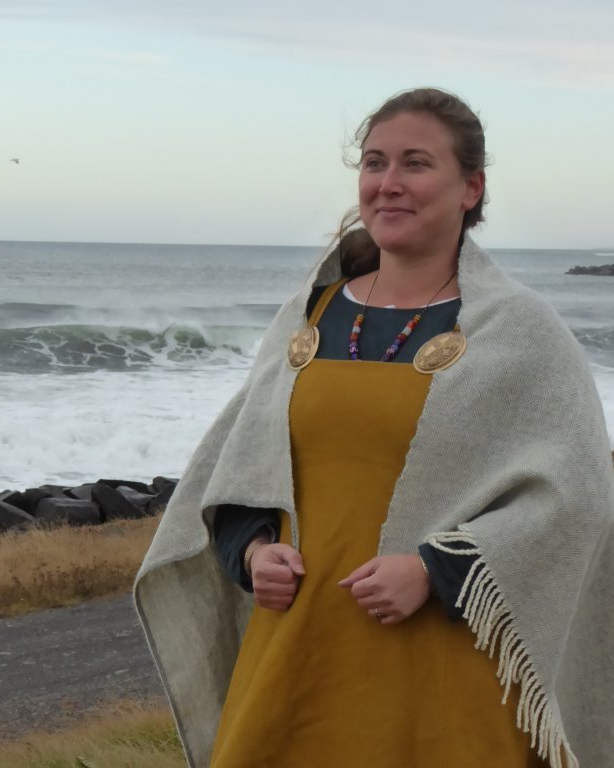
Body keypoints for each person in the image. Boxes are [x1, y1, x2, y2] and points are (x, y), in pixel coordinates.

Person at [134, 88, 614, 768]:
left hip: (446, 664)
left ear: (470, 188)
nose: (389, 183)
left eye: (416, 164)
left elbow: (579, 498)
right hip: (300, 656)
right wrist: (251, 553)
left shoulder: (520, 331)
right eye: (374, 163)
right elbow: (240, 469)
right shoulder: (311, 315)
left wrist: (436, 569)